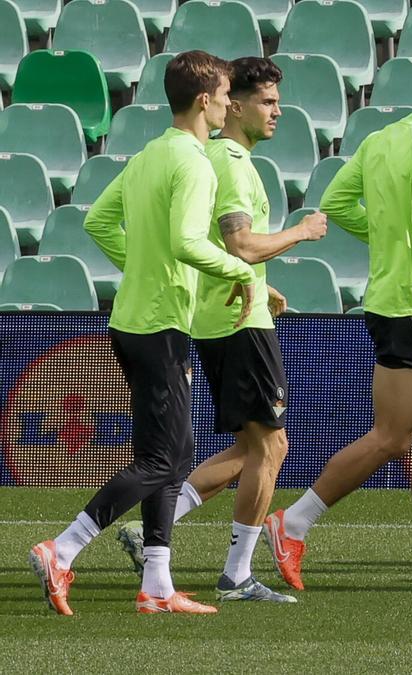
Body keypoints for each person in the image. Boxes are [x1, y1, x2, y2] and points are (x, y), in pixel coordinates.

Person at [29, 51, 257, 615]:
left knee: (170, 453)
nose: (230, 103)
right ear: (205, 100)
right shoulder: (197, 163)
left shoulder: (150, 152)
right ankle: (63, 547)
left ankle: (157, 584)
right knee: (165, 457)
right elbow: (186, 242)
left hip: (132, 320)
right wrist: (240, 269)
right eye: (227, 94)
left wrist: (141, 266)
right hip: (159, 324)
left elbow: (97, 220)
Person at [262, 66, 412, 590]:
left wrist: (385, 233)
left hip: (401, 304)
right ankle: (292, 522)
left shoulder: (383, 137)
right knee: (392, 438)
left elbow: (335, 205)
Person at [114, 57, 329, 603]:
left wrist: (262, 283)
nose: (278, 112)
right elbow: (239, 246)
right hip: (238, 322)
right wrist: (301, 232)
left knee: (247, 447)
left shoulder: (209, 156)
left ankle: (157, 531)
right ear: (231, 104)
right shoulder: (230, 161)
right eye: (267, 101)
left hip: (218, 316)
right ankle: (235, 573)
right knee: (270, 446)